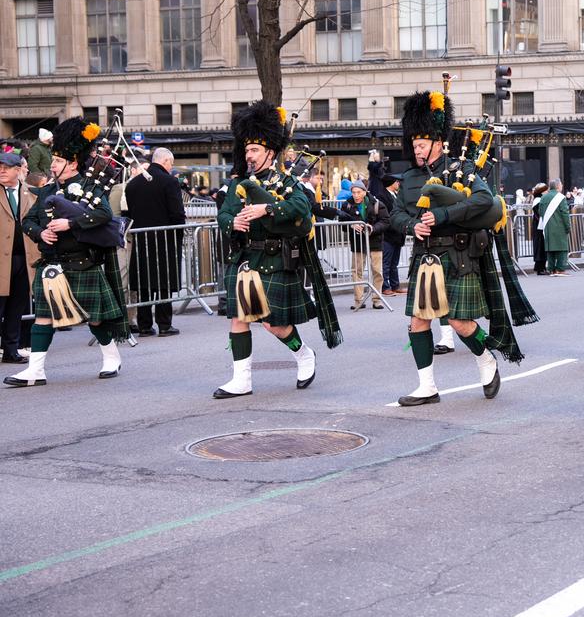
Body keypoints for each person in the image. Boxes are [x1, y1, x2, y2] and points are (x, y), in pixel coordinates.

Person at [391, 89, 536, 406]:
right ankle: (426, 387)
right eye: (413, 144)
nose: (416, 150)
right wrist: (411, 225)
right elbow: (396, 212)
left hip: (457, 256)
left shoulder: (462, 169)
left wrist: (443, 214)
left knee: (459, 323)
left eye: (421, 144)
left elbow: (484, 200)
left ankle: (486, 358)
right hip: (425, 257)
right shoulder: (410, 178)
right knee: (418, 321)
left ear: (437, 142)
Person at [213, 101, 341, 399]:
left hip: (272, 260)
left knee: (274, 325)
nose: (249, 156)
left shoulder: (286, 182)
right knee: (239, 319)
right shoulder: (238, 185)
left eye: (254, 151)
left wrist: (265, 209)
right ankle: (241, 380)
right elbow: (223, 215)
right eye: (246, 151)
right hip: (245, 260)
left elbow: (300, 207)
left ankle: (303, 353)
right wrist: (235, 222)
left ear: (270, 151)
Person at [5, 117, 130, 388]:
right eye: (53, 161)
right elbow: (29, 220)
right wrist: (41, 233)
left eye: (58, 162)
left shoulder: (90, 187)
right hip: (52, 263)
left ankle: (112, 357)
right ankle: (35, 370)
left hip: (82, 261)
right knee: (44, 317)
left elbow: (103, 214)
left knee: (93, 316)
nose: (53, 165)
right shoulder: (48, 189)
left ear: (72, 163)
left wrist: (70, 223)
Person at [124, 147, 186, 336]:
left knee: (144, 282)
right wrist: (178, 233)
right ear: (166, 161)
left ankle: (144, 325)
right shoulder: (169, 182)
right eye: (171, 164)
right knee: (163, 282)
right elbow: (177, 212)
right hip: (164, 238)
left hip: (141, 239)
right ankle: (164, 324)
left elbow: (130, 213)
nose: (171, 167)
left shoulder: (133, 184)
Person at [0, 152, 39, 364]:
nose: (2, 171)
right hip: (1, 261)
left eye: (6, 167)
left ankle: (11, 350)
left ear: (18, 170)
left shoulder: (31, 194)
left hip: (24, 259)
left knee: (17, 307)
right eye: (0, 167)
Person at [340, 180, 390, 311]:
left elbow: (385, 221)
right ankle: (358, 300)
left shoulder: (376, 203)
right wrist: (351, 225)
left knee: (377, 271)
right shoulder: (347, 205)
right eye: (353, 192)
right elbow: (342, 223)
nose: (356, 195)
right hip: (357, 242)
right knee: (357, 271)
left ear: (364, 192)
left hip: (375, 241)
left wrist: (373, 228)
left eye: (358, 192)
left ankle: (376, 299)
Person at [378, 173, 407, 296]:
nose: (398, 183)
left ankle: (395, 285)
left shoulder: (397, 195)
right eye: (396, 181)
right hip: (388, 234)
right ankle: (385, 287)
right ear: (391, 183)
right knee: (386, 262)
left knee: (394, 262)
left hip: (398, 234)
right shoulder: (382, 196)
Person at [537, 179, 572, 276]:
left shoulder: (544, 197)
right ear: (557, 186)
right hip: (559, 226)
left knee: (550, 248)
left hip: (547, 226)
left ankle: (551, 268)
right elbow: (565, 213)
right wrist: (568, 226)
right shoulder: (560, 197)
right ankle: (560, 269)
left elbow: (540, 212)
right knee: (561, 248)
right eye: (561, 184)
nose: (561, 186)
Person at [529, 182, 549, 275]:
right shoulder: (538, 200)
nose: (547, 191)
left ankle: (541, 267)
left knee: (542, 246)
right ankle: (540, 268)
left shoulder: (540, 199)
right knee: (540, 246)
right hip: (539, 226)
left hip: (540, 225)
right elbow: (538, 214)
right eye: (545, 189)